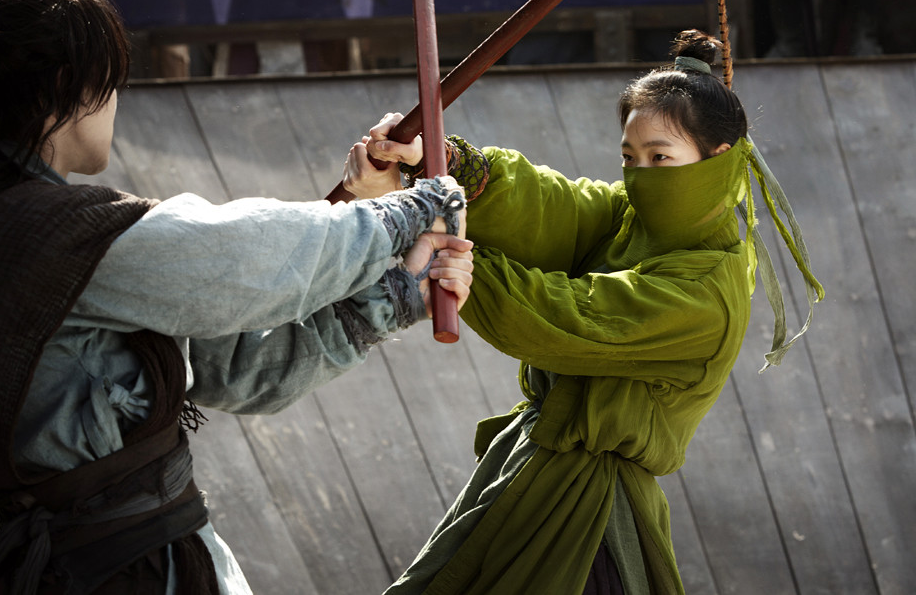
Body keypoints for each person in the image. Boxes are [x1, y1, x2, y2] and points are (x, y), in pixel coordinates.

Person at [0, 0, 474, 593]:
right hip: (124, 575)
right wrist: (409, 210)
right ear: (65, 84)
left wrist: (394, 292)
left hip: (104, 563)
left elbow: (236, 365)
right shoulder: (37, 232)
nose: (115, 101)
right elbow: (244, 259)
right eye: (111, 82)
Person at [344, 30, 824, 594]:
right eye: (629, 157)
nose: (640, 173)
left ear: (716, 160)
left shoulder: (707, 291)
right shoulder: (628, 215)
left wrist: (420, 225)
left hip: (591, 513)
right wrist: (438, 162)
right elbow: (551, 207)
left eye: (660, 157)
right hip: (528, 475)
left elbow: (569, 316)